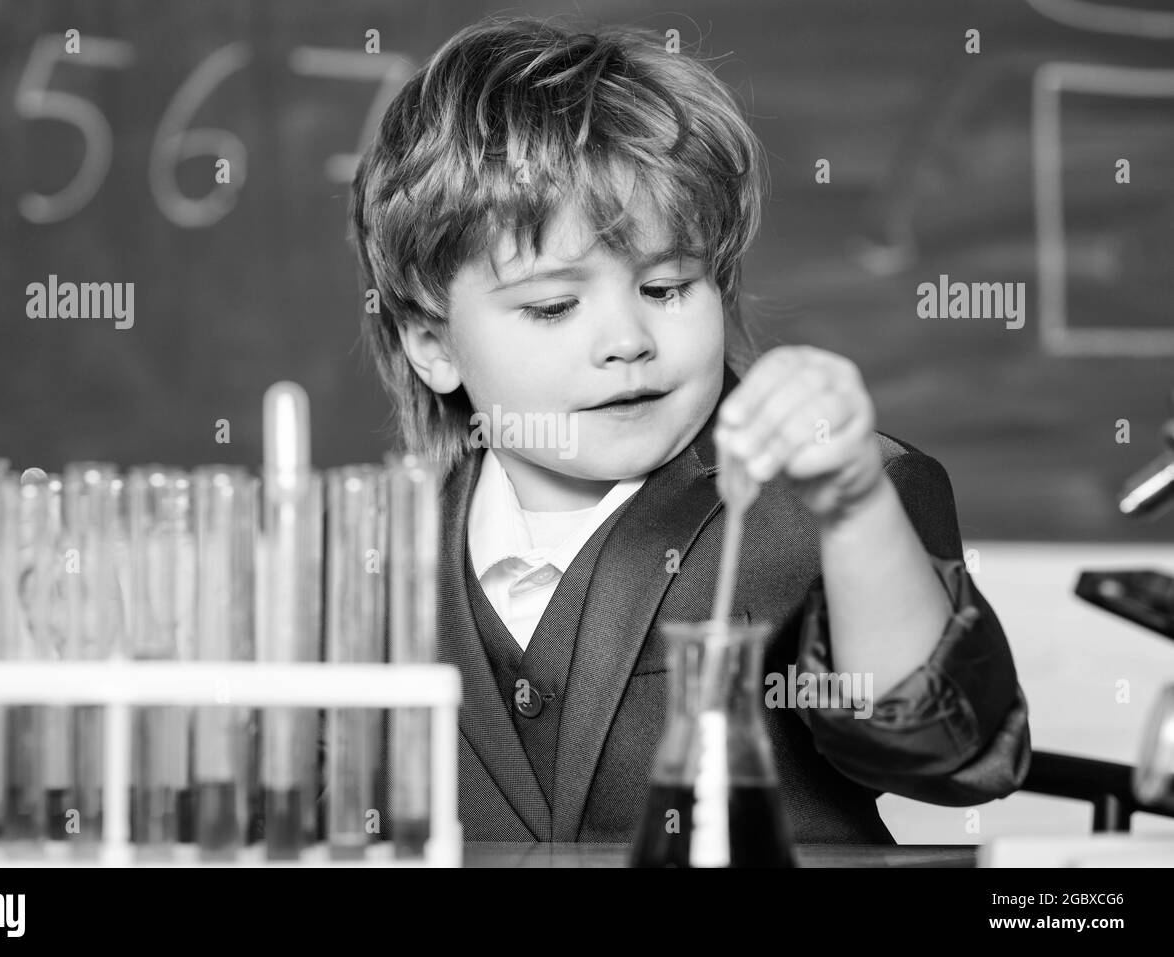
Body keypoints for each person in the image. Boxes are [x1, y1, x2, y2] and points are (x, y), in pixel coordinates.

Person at [347, 15, 1030, 843]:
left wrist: (855, 515)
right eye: (554, 305)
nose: (628, 341)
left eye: (667, 287)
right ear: (431, 344)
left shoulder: (830, 503)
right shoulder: (371, 556)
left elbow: (948, 756)